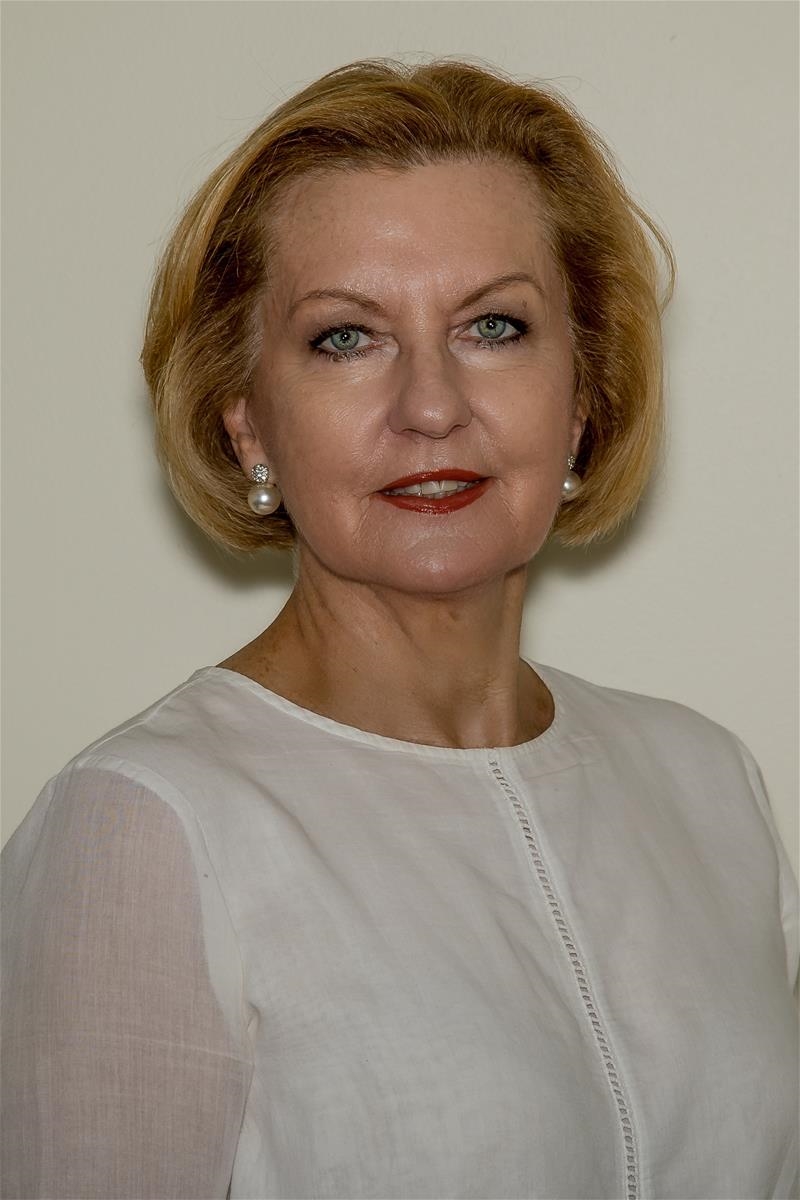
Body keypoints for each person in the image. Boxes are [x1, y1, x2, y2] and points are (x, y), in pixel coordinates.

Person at [1, 55, 797, 1200]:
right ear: (246, 422)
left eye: (492, 326)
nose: (430, 406)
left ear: (583, 398)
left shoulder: (706, 782)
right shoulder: (145, 828)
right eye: (345, 338)